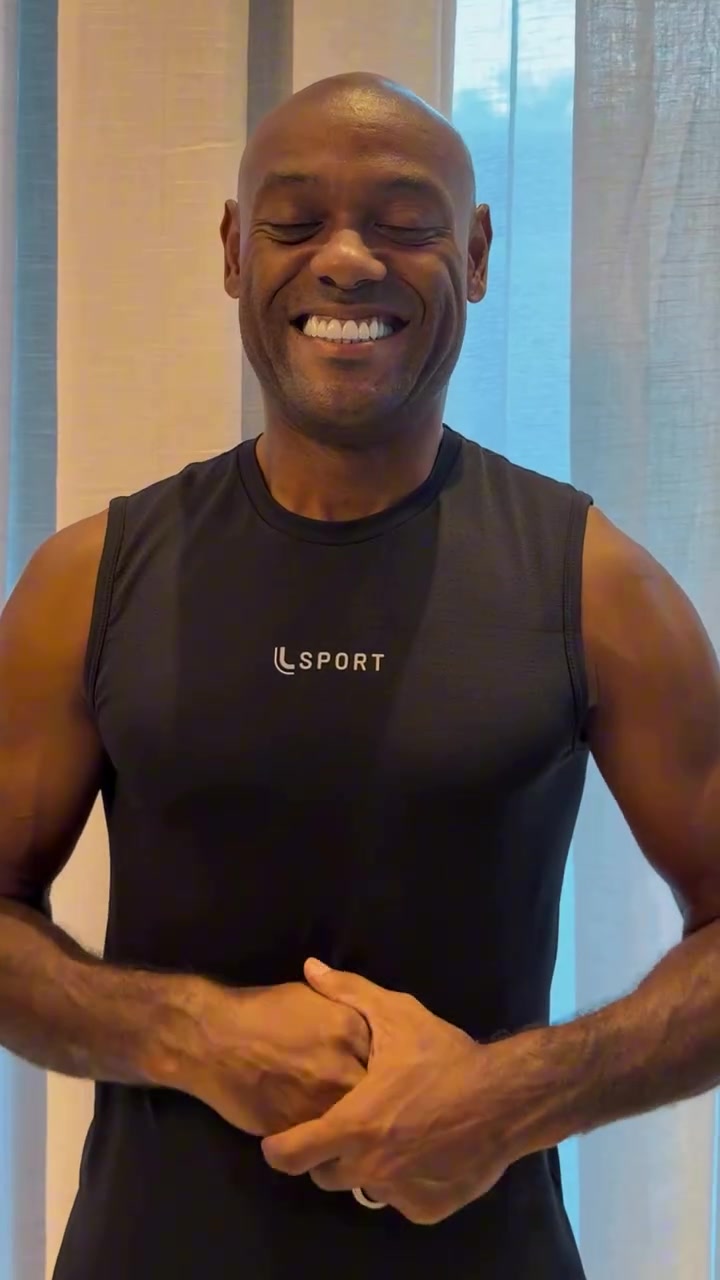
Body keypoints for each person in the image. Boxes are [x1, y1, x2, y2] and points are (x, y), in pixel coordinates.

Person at [0, 70, 718, 1280]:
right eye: (294, 222)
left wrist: (509, 1096)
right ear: (234, 250)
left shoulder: (598, 587)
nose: (346, 261)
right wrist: (196, 1033)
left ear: (475, 254)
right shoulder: (91, 580)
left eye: (404, 222)